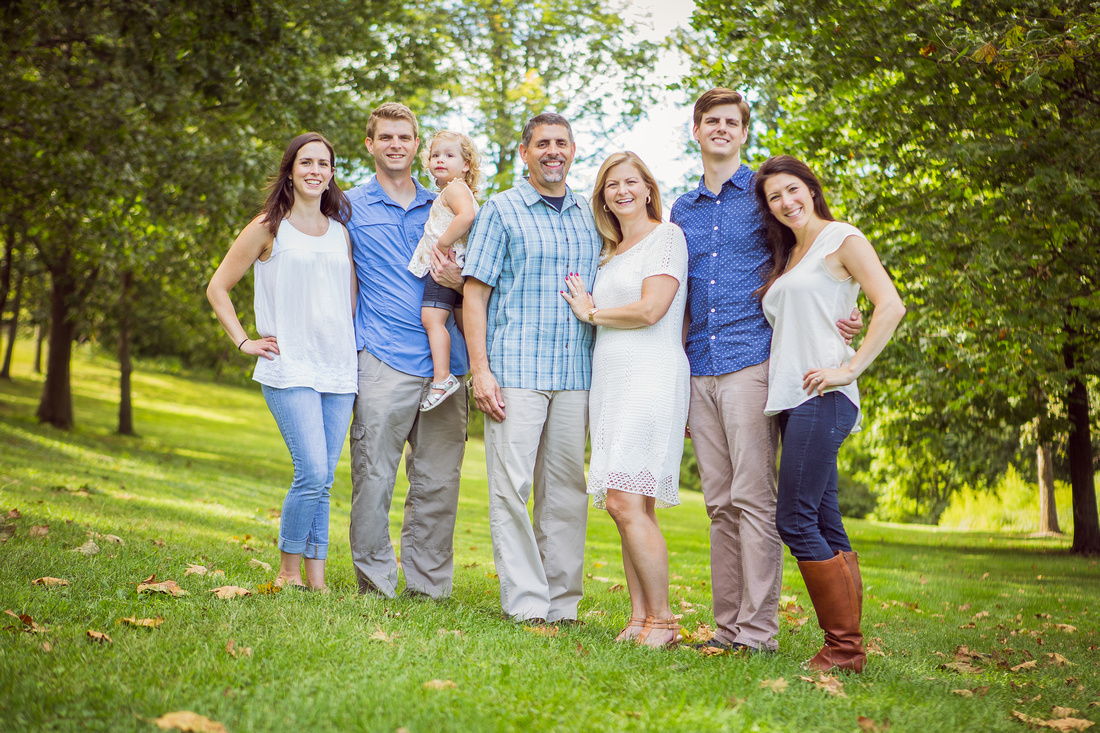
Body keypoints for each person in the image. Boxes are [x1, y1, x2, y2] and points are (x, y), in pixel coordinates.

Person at [670, 88, 863, 654]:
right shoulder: (681, 210)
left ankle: (757, 635)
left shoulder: (767, 197)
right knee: (718, 504)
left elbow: (818, 257)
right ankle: (726, 629)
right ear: (697, 131)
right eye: (711, 121)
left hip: (754, 363)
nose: (721, 129)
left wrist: (845, 313)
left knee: (754, 501)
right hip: (697, 368)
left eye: (731, 121)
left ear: (743, 132)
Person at [755, 155, 905, 672]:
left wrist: (852, 367)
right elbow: (820, 311)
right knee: (822, 518)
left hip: (823, 394)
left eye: (792, 190)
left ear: (810, 189)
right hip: (792, 400)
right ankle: (849, 647)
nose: (786, 203)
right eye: (775, 198)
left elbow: (891, 304)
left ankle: (843, 646)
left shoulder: (842, 237)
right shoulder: (791, 254)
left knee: (793, 520)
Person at [463, 112, 601, 624]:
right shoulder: (501, 210)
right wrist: (481, 369)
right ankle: (526, 603)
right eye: (542, 143)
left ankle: (563, 604)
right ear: (525, 152)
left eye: (561, 143)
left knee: (566, 491)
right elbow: (475, 294)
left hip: (575, 374)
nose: (553, 152)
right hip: (515, 369)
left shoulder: (593, 215)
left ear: (572, 150)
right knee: (511, 489)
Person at [207, 132, 356, 592]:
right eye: (306, 162)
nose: (315, 171)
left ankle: (317, 579)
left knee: (325, 479)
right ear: (290, 170)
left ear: (332, 173)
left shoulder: (341, 232)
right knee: (310, 470)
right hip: (289, 365)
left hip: (338, 368)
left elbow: (346, 298)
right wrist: (243, 341)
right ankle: (287, 572)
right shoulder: (268, 227)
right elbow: (218, 288)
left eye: (324, 164)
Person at [561, 152, 689, 648]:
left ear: (649, 188)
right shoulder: (610, 251)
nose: (621, 191)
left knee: (624, 500)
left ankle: (664, 621)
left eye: (631, 182)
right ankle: (639, 619)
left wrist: (592, 314)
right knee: (628, 505)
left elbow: (653, 309)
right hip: (612, 381)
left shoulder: (666, 237)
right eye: (611, 185)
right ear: (602, 197)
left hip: (650, 376)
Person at [346, 103, 469, 599]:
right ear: (370, 144)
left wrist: (460, 281)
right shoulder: (347, 206)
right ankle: (376, 582)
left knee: (438, 484)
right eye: (386, 137)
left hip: (448, 364)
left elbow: (479, 276)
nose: (396, 144)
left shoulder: (447, 203)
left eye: (405, 137)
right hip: (382, 356)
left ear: (416, 145)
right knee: (373, 476)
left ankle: (428, 587)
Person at [406, 131, 482, 412]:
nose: (440, 160)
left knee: (432, 320)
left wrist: (442, 243)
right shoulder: (455, 190)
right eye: (436, 155)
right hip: (459, 266)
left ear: (465, 165)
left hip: (444, 264)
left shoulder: (454, 189)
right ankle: (479, 370)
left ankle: (442, 378)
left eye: (449, 155)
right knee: (467, 325)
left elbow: (467, 216)